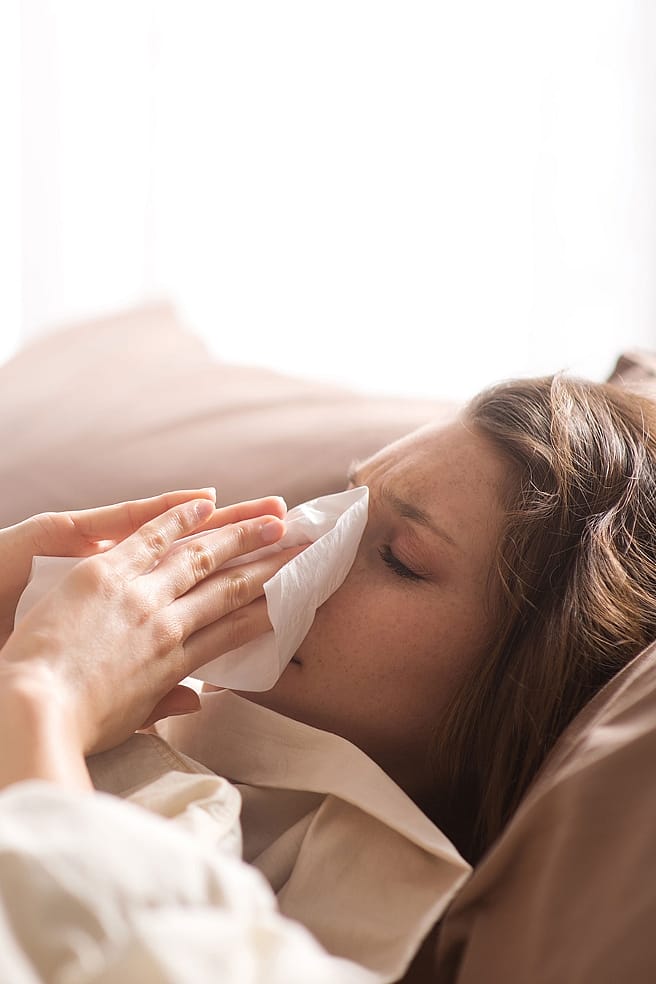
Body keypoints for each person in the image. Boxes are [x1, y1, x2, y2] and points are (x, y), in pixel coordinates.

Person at [1, 374, 656, 979]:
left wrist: (41, 700)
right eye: (345, 498)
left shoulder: (315, 910)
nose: (301, 542)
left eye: (398, 558)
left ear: (523, 687)